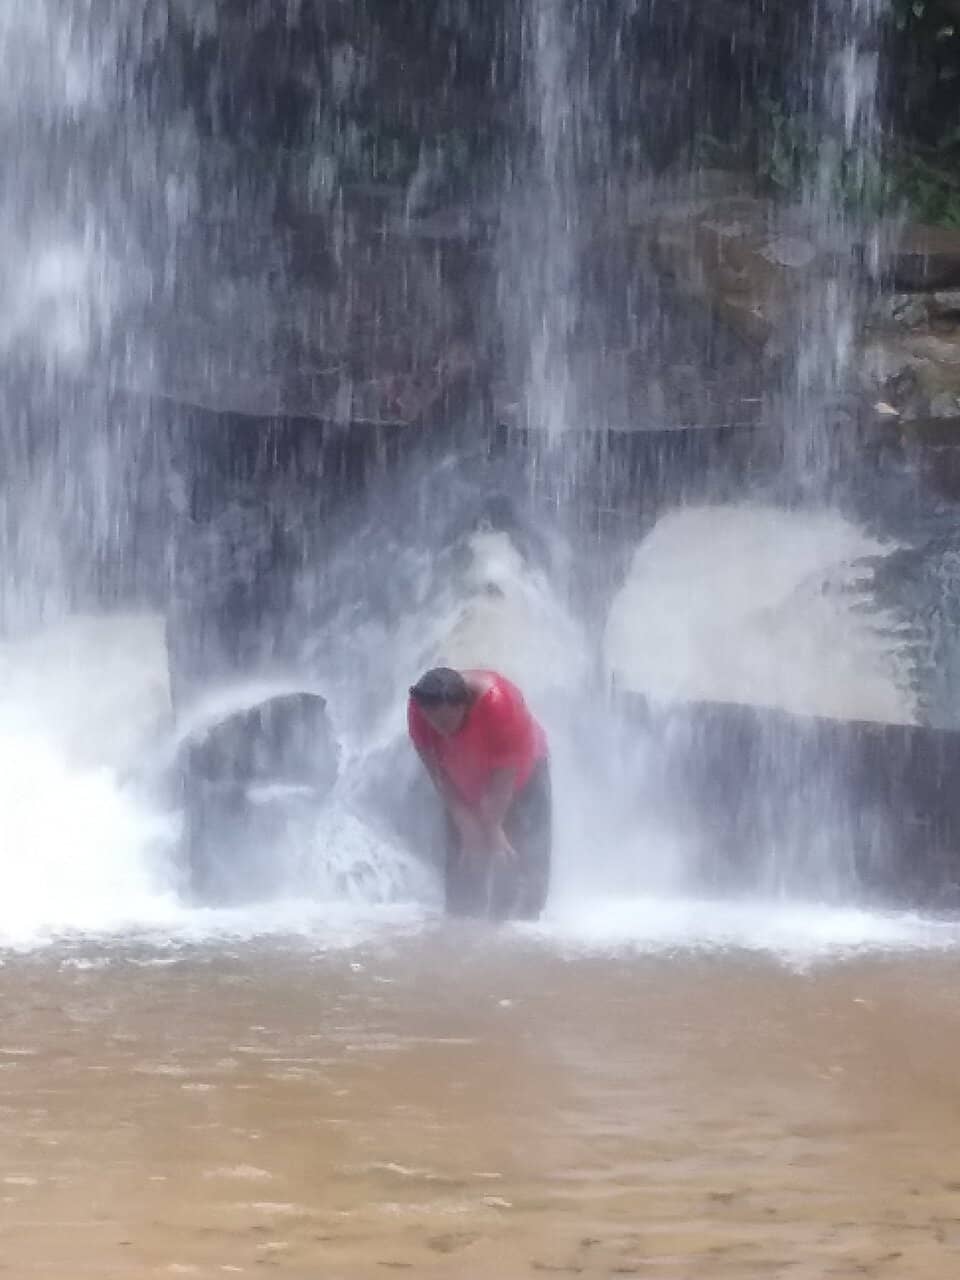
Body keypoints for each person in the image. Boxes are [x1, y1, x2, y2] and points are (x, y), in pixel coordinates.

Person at [407, 667, 551, 921]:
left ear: (465, 705)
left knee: (516, 861)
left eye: (446, 722)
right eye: (433, 722)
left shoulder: (499, 704)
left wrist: (493, 827)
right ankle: (461, 928)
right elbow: (437, 773)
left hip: (524, 776)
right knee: (465, 862)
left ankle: (522, 928)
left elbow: (506, 774)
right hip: (463, 782)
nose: (442, 731)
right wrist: (466, 824)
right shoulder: (420, 708)